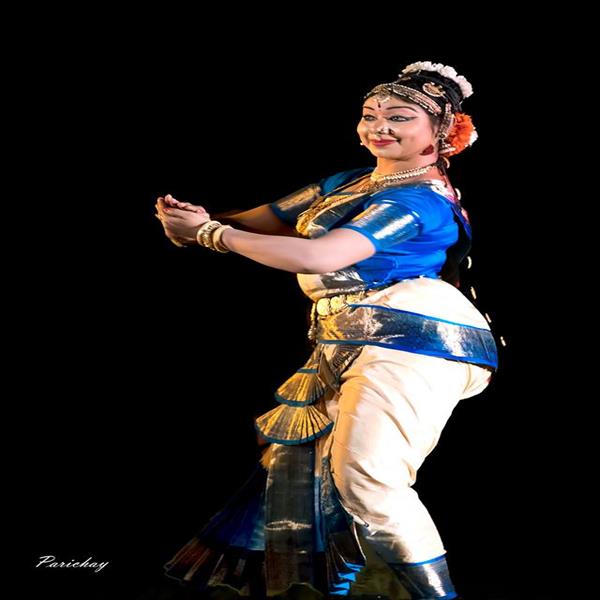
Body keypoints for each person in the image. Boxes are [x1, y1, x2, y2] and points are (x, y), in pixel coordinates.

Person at [155, 61, 499, 600]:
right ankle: (359, 588)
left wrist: (211, 236)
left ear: (442, 131)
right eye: (370, 115)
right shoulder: (350, 182)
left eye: (399, 117)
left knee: (368, 476)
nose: (379, 127)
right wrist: (197, 221)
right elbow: (263, 220)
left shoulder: (418, 201)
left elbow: (319, 255)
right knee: (319, 476)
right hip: (350, 335)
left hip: (411, 337)